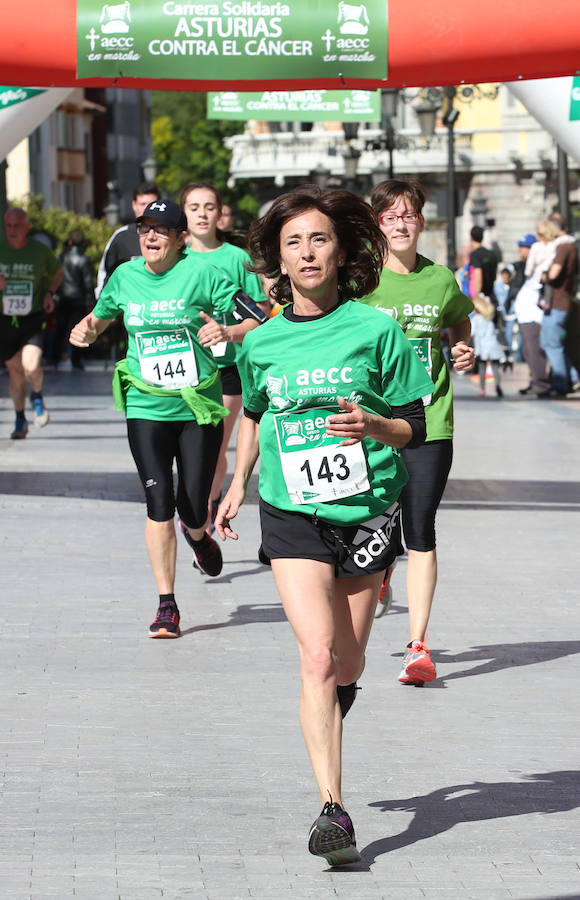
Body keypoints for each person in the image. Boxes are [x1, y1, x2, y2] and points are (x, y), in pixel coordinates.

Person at [215, 187, 435, 866]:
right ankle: (333, 810)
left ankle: (341, 689)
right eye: (293, 243)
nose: (307, 253)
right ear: (278, 261)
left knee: (348, 662)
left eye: (318, 239)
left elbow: (415, 427)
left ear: (340, 251)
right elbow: (255, 413)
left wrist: (373, 425)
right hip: (292, 512)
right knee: (316, 658)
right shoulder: (262, 342)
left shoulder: (376, 330)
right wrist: (238, 482)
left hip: (367, 510)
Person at [70, 199, 243, 640]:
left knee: (193, 505)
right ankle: (167, 604)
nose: (150, 236)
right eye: (144, 228)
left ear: (181, 239)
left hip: (197, 407)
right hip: (146, 404)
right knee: (158, 502)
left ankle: (199, 536)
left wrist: (227, 330)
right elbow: (100, 318)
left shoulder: (203, 273)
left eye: (161, 230)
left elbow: (255, 317)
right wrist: (85, 329)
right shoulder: (125, 276)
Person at [362, 179, 474, 681]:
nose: (401, 224)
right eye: (390, 216)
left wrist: (462, 348)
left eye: (408, 215)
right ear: (377, 225)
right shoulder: (361, 281)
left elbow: (459, 322)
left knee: (420, 527)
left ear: (421, 222)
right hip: (373, 422)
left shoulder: (440, 280)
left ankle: (418, 646)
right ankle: (382, 568)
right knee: (375, 524)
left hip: (430, 420)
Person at [180, 181, 267, 530]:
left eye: (209, 207)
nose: (202, 214)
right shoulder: (175, 259)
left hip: (227, 368)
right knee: (188, 453)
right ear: (184, 214)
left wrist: (228, 331)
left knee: (213, 450)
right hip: (185, 370)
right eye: (194, 207)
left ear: (220, 213)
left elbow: (260, 315)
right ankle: (199, 511)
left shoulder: (237, 259)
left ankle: (201, 518)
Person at [0, 207, 63, 438]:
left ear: (26, 227)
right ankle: (20, 420)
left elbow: (58, 272)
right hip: (4, 321)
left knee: (31, 365)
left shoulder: (39, 251)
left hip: (32, 318)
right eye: (8, 225)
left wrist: (49, 293)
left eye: (17, 225)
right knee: (16, 376)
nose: (12, 230)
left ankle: (37, 395)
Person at [514, 220, 559, 397]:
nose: (520, 250)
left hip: (533, 314)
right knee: (528, 351)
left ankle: (541, 383)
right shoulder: (526, 267)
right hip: (526, 314)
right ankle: (536, 381)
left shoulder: (542, 259)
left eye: (523, 247)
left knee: (534, 351)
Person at [95, 182, 161, 297]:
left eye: (152, 204)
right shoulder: (121, 237)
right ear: (134, 205)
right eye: (143, 204)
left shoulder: (171, 236)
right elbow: (105, 273)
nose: (147, 209)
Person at [540, 212, 579, 396]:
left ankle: (561, 384)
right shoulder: (570, 246)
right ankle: (573, 377)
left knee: (551, 344)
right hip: (561, 303)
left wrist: (544, 276)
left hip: (557, 303)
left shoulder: (563, 247)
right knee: (552, 343)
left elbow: (554, 273)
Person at [52, 230, 95, 371]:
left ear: (70, 242)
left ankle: (55, 358)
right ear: (83, 244)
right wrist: (90, 302)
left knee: (60, 330)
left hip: (62, 299)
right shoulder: (84, 260)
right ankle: (76, 360)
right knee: (78, 331)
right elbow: (88, 283)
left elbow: (56, 277)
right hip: (78, 300)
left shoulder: (61, 257)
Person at [469, 225, 498, 304]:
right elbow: (495, 276)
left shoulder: (475, 255)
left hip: (482, 298)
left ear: (471, 237)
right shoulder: (491, 254)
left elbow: (478, 274)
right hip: (491, 296)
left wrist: (477, 298)